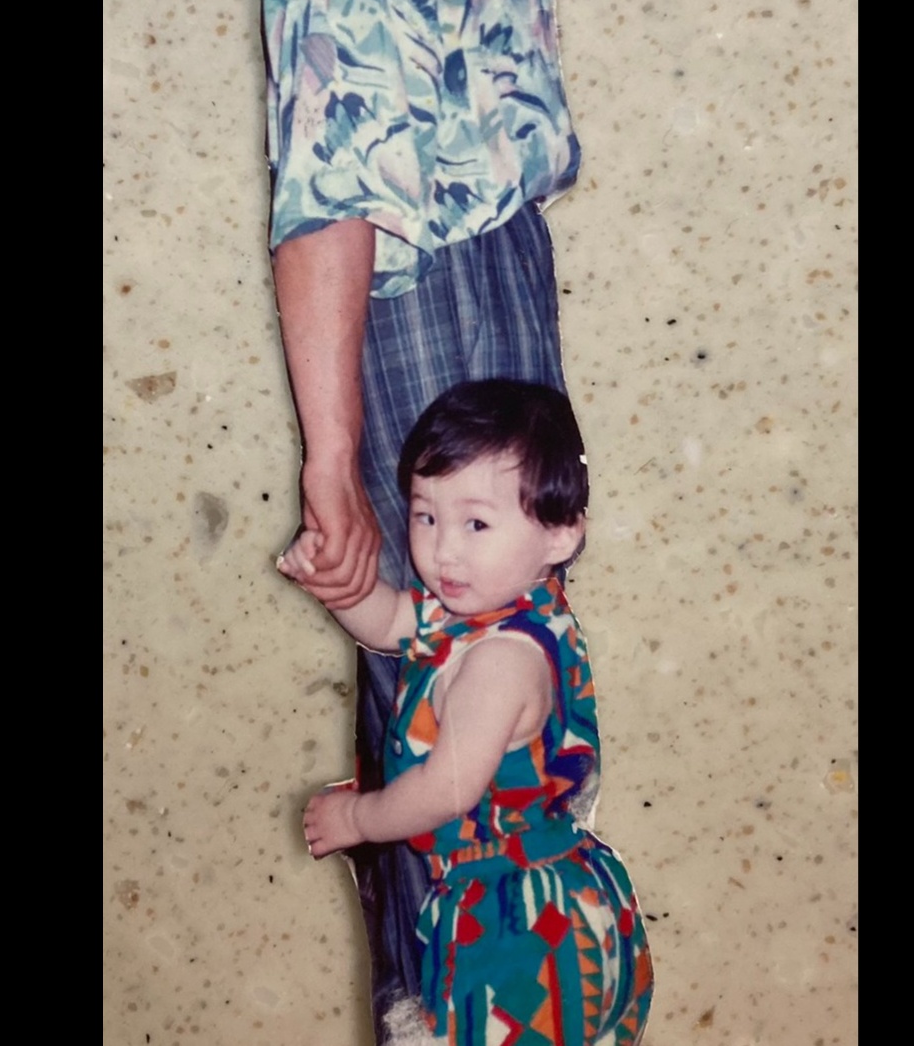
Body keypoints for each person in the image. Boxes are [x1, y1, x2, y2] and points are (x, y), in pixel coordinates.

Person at [261, 0, 688, 1032]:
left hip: (502, 275)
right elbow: (328, 195)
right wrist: (336, 462)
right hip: (414, 306)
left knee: (504, 696)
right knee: (446, 717)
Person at [279, 380, 652, 1044]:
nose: (444, 549)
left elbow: (445, 791)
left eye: (476, 523)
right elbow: (386, 621)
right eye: (426, 516)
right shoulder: (488, 613)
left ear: (561, 533)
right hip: (536, 904)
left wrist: (357, 818)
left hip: (524, 929)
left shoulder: (501, 660)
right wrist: (331, 581)